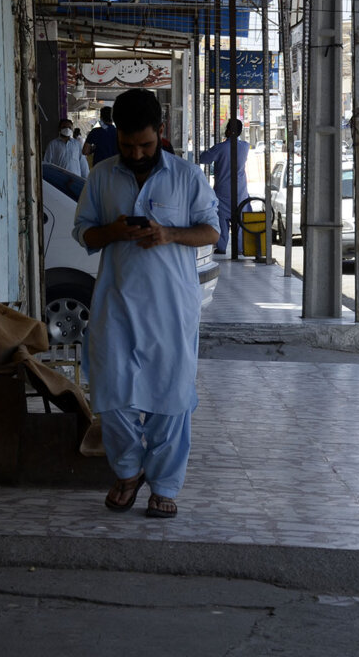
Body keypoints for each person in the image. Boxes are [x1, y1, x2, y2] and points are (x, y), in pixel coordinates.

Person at [73, 88, 219, 519]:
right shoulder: (101, 177)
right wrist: (114, 231)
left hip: (172, 309)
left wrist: (169, 233)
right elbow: (84, 234)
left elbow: (211, 232)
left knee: (170, 401)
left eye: (146, 145)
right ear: (116, 136)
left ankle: (165, 486)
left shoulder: (186, 176)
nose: (137, 154)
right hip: (114, 306)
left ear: (161, 132)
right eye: (128, 145)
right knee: (111, 395)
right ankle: (127, 471)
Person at [199, 118, 250, 254]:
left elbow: (204, 158)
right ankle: (239, 248)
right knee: (239, 221)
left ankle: (221, 246)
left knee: (221, 219)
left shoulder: (220, 148)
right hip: (240, 191)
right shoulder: (245, 147)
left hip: (223, 191)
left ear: (228, 130)